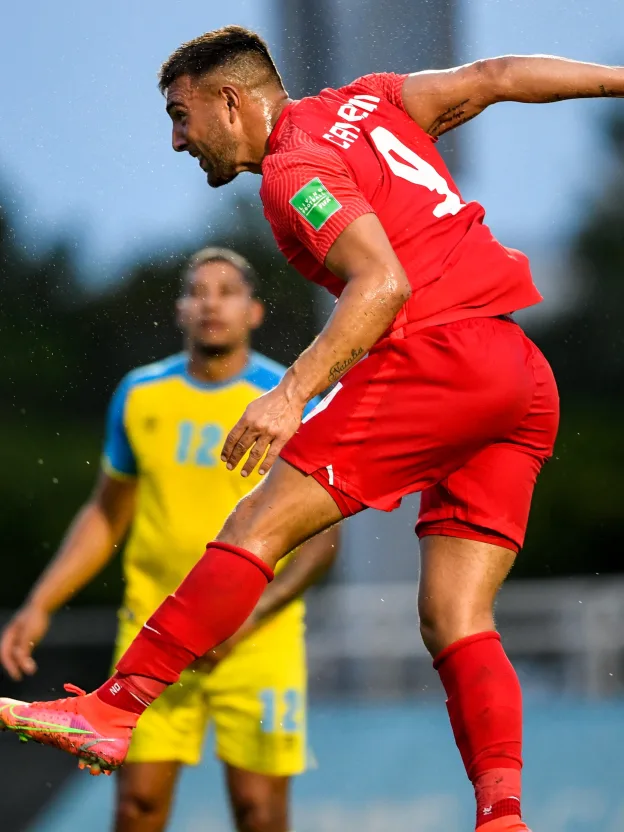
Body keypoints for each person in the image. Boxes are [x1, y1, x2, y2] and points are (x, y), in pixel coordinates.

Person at [2, 24, 622, 832]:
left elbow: (383, 283)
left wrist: (290, 393)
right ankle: (502, 816)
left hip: (438, 357)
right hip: (519, 374)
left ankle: (114, 709)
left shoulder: (294, 167)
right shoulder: (369, 100)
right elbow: (496, 74)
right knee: (455, 615)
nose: (177, 140)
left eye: (181, 116)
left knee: (256, 525)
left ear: (231, 102)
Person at [0, 246, 339, 832]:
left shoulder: (287, 400)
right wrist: (41, 603)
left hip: (258, 643)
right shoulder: (141, 394)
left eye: (227, 291)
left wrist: (249, 618)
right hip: (151, 630)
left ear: (254, 311)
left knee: (259, 810)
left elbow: (321, 539)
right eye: (196, 291)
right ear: (179, 310)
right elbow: (105, 515)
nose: (211, 303)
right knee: (138, 806)